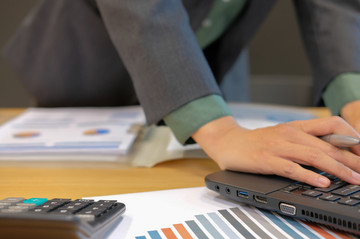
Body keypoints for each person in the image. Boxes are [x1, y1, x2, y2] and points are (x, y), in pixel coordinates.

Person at [3, 0, 360, 188]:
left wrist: (355, 98)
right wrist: (221, 133)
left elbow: (332, 5)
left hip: (208, 62)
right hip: (92, 61)